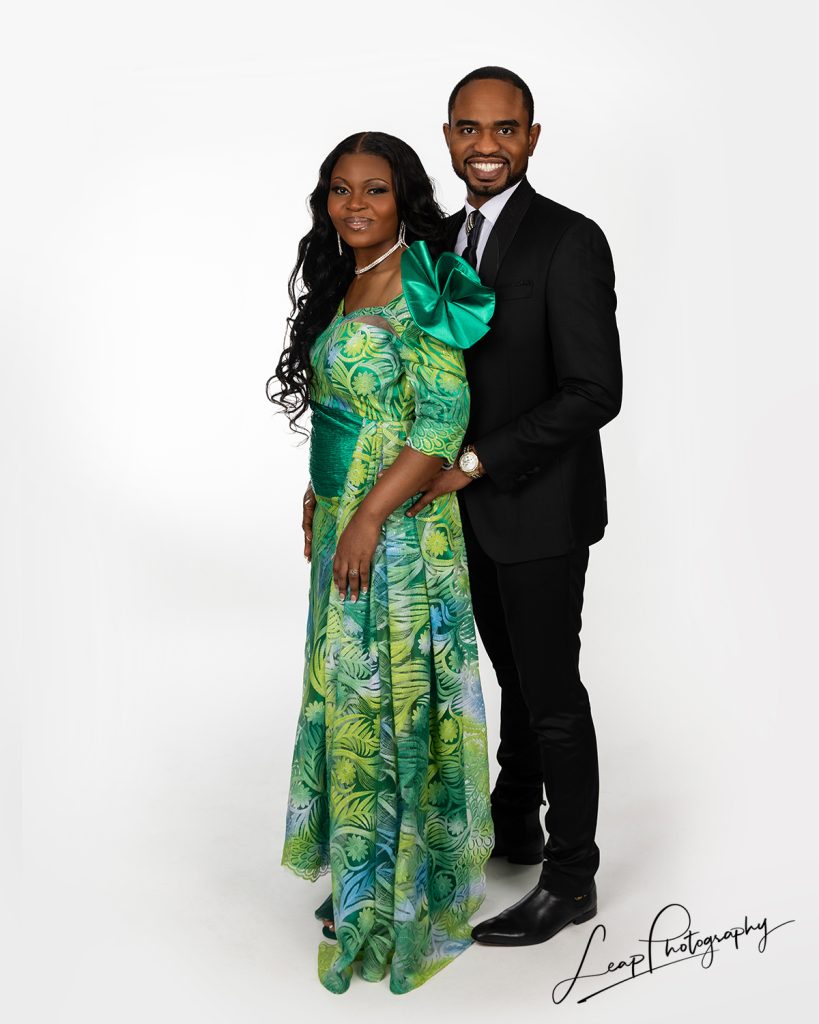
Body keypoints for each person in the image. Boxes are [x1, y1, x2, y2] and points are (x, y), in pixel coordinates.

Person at [268, 131, 496, 993]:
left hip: (398, 535)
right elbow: (345, 411)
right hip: (345, 521)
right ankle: (359, 876)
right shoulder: (346, 279)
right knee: (344, 693)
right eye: (338, 189)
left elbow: (440, 419)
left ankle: (396, 895)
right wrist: (319, 501)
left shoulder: (423, 283)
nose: (354, 204)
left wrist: (366, 516)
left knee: (385, 699)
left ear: (404, 198)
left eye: (373, 189)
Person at [405, 67, 623, 946]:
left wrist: (478, 460)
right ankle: (516, 821)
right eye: (468, 128)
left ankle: (571, 880)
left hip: (537, 508)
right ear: (449, 136)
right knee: (506, 676)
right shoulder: (439, 239)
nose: (484, 145)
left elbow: (593, 390)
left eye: (504, 129)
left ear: (532, 138)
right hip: (461, 513)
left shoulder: (569, 240)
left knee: (550, 690)